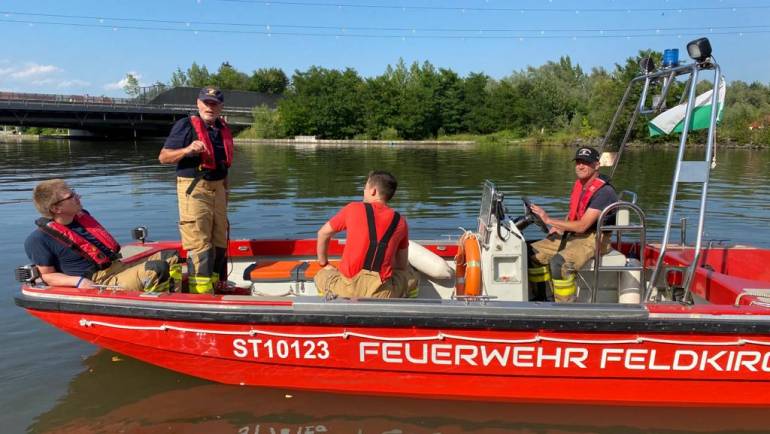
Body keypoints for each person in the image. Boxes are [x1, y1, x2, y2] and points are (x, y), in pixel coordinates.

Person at [24, 179, 179, 292]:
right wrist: (78, 282)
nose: (79, 197)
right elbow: (47, 276)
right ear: (56, 208)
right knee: (156, 269)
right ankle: (163, 304)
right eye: (71, 196)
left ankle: (176, 294)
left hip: (118, 267)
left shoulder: (81, 219)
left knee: (171, 256)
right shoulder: (39, 239)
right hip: (100, 280)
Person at [158, 86, 233, 294]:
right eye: (206, 103)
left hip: (218, 188)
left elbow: (224, 167)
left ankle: (217, 285)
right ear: (198, 104)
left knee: (219, 239)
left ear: (221, 107)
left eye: (214, 104)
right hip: (194, 188)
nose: (210, 107)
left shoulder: (222, 129)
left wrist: (226, 193)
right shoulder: (185, 126)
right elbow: (163, 157)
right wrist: (188, 149)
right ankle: (200, 293)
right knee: (199, 242)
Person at [528, 146, 618, 303]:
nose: (580, 166)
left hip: (595, 239)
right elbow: (574, 213)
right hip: (575, 235)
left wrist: (548, 220)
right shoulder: (581, 185)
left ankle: (565, 306)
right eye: (578, 162)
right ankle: (544, 298)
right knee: (532, 253)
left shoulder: (604, 192)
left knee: (559, 263)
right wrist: (559, 226)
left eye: (586, 163)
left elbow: (583, 225)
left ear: (597, 165)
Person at [314, 170, 418, 299]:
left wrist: (325, 265)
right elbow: (401, 265)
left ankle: (327, 304)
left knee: (321, 275)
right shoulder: (400, 222)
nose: (363, 191)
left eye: (365, 187)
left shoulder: (353, 208)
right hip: (382, 294)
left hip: (346, 290)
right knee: (411, 275)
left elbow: (323, 234)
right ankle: (407, 306)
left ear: (373, 191)